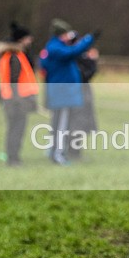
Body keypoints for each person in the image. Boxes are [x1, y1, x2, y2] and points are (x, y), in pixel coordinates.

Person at [39, 18, 99, 165]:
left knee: (59, 124)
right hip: (62, 94)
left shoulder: (54, 47)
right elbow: (73, 52)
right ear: (61, 34)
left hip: (61, 93)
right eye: (66, 34)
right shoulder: (56, 48)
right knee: (61, 126)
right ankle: (58, 154)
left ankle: (55, 151)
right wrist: (89, 39)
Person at [0, 22, 39, 166]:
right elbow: (14, 80)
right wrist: (18, 100)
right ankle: (13, 158)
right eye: (27, 38)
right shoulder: (14, 57)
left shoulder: (11, 55)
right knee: (16, 129)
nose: (30, 40)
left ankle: (13, 156)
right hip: (16, 100)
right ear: (21, 40)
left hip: (12, 98)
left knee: (13, 129)